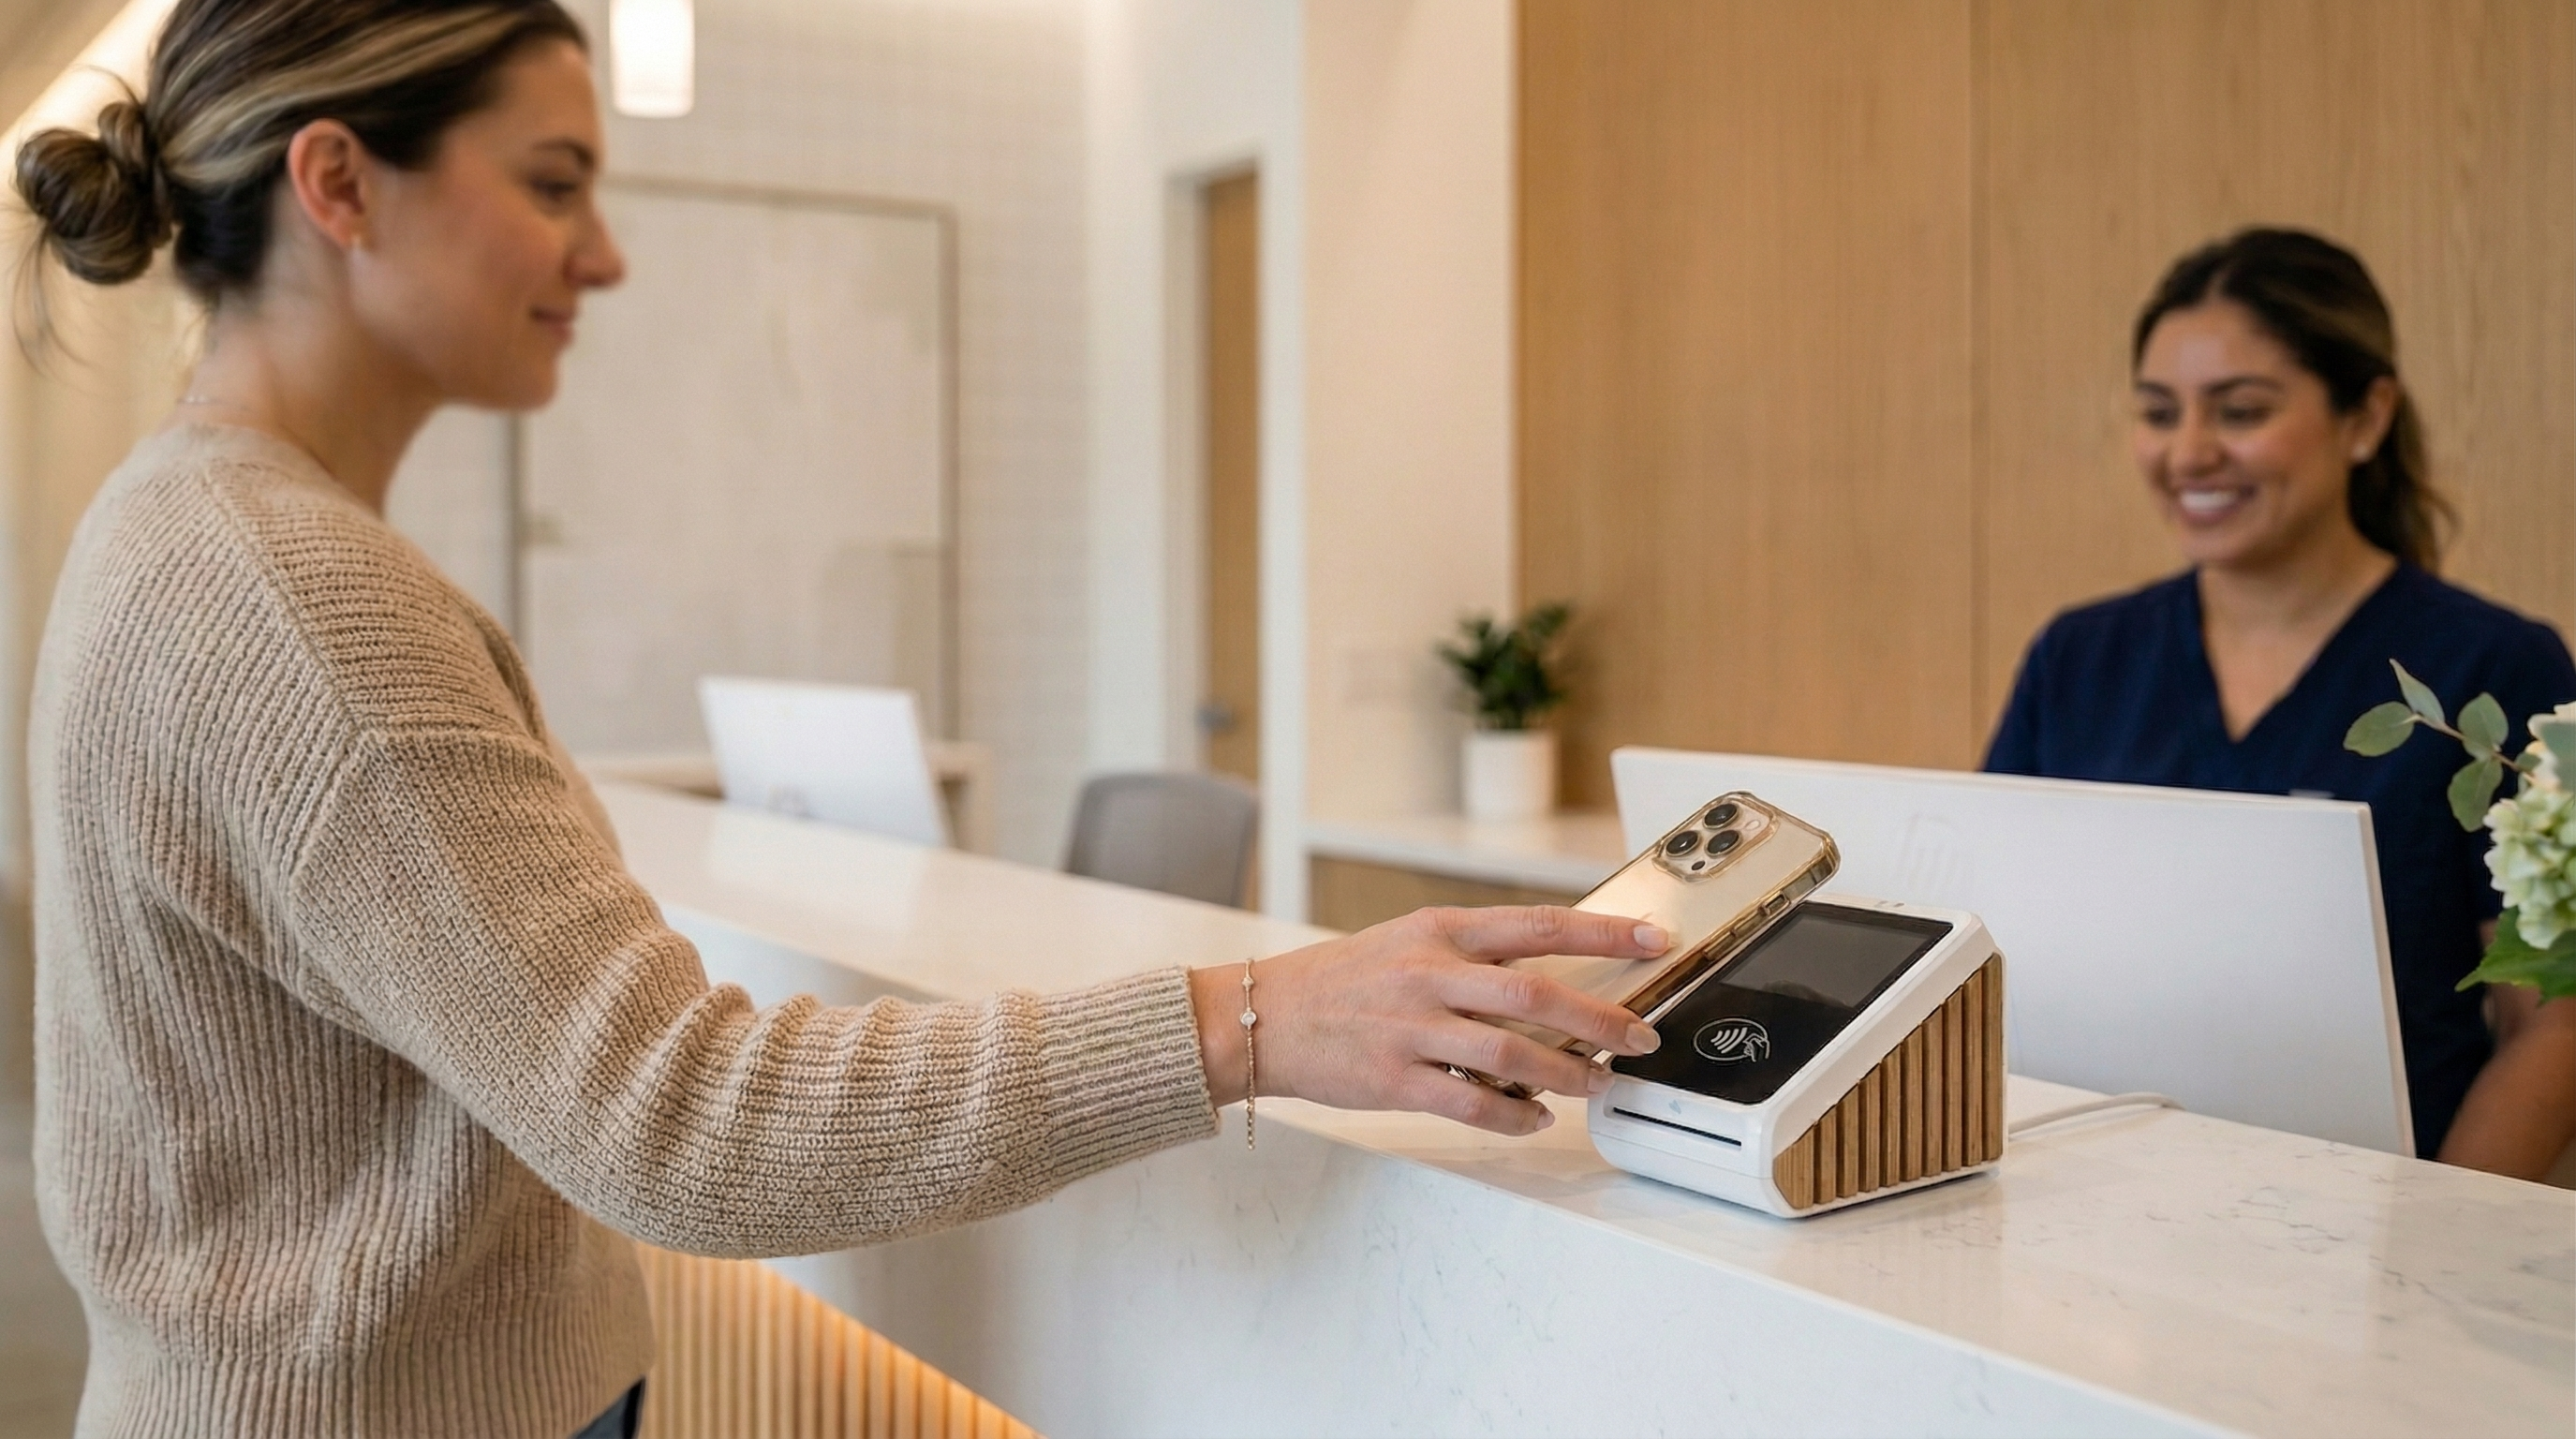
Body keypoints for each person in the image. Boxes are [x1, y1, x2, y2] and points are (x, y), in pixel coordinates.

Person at [9, 3, 1672, 1434]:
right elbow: (686, 1121)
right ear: (338, 183)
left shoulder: (191, 535)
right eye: (553, 184)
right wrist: (1252, 1018)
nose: (604, 254)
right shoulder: (297, 598)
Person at [1985, 228, 2576, 1177]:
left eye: (2240, 410)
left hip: (2376, 1244)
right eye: (2156, 412)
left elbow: (2548, 1025)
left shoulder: (2494, 666)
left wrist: (2425, 1261)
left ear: (2364, 417)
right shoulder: (2078, 659)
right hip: (2083, 1219)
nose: (2187, 453)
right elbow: (1984, 964)